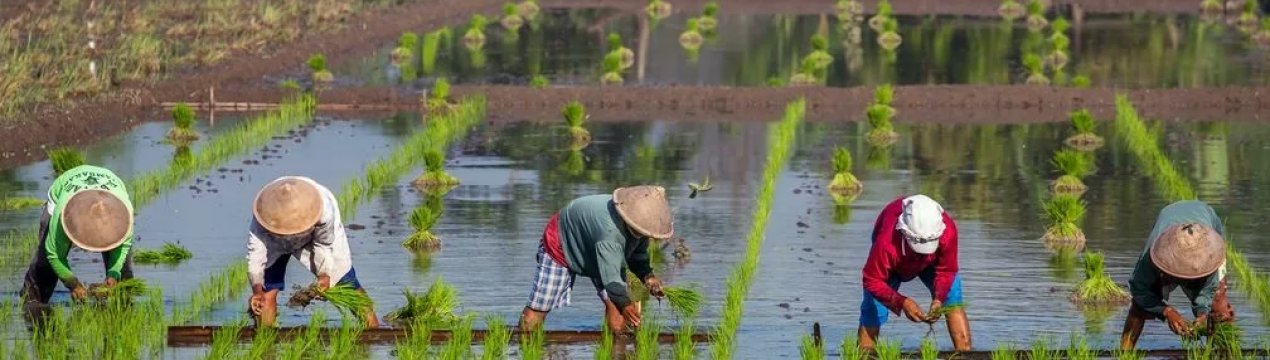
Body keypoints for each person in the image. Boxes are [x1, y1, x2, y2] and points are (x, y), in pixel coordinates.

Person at [518, 186, 674, 332]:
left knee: (618, 310)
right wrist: (626, 305)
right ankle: (526, 342)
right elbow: (612, 281)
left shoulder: (640, 225)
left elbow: (637, 256)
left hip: (598, 245)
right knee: (540, 307)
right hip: (563, 241)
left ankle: (614, 345)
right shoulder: (610, 233)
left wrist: (648, 277)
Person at [246, 176, 378, 328]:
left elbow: (323, 244)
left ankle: (373, 330)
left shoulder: (323, 210)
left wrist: (324, 274)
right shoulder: (264, 214)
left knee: (346, 282)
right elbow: (255, 256)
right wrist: (257, 291)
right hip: (274, 239)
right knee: (265, 293)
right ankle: (264, 336)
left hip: (314, 235)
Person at [858, 195, 971, 351]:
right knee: (874, 308)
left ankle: (964, 352)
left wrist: (939, 299)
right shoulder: (886, 242)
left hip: (932, 261)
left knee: (952, 298)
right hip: (895, 261)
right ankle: (865, 353)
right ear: (904, 231)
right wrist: (902, 302)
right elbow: (871, 280)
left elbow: (947, 270)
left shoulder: (948, 231)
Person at [1120, 200, 1231, 350]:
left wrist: (1202, 314)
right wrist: (1167, 311)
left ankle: (1221, 352)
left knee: (1218, 307)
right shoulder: (1152, 257)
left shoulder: (1208, 257)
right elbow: (1139, 290)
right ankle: (1125, 353)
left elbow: (1207, 291)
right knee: (1139, 307)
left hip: (1205, 220)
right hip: (1169, 216)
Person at [22, 165, 135, 304]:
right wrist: (73, 284)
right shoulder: (63, 211)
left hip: (109, 180)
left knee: (123, 272)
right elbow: (54, 254)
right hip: (66, 188)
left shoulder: (124, 214)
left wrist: (113, 273)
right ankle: (32, 302)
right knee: (45, 264)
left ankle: (124, 306)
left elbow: (123, 247)